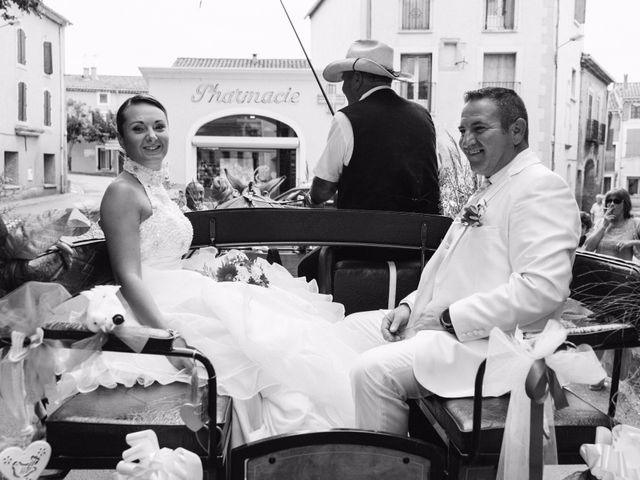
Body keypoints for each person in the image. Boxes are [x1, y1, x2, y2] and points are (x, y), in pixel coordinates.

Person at [91, 94, 358, 443]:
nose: (152, 136)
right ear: (122, 139)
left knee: (271, 322)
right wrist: (169, 338)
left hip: (176, 284)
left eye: (159, 126)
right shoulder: (122, 192)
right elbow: (128, 276)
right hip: (152, 301)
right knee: (254, 344)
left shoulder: (153, 187)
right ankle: (274, 448)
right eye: (138, 128)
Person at [343, 87, 580, 435]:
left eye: (479, 129)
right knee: (346, 331)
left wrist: (451, 319)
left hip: (490, 346)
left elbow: (541, 290)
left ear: (516, 131)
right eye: (463, 130)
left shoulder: (540, 188)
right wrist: (410, 306)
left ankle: (388, 464)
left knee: (373, 371)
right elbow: (451, 267)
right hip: (441, 326)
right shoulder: (493, 186)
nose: (467, 141)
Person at [307, 39, 439, 214]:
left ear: (357, 80)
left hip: (365, 235)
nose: (344, 88)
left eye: (345, 80)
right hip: (419, 234)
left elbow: (323, 189)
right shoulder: (423, 115)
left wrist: (311, 199)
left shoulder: (346, 118)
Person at [583, 188, 640, 262]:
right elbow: (587, 249)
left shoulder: (635, 223)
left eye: (617, 201)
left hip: (621, 272)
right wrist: (604, 226)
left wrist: (632, 242)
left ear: (625, 204)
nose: (612, 204)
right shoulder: (601, 222)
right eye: (609, 201)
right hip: (599, 271)